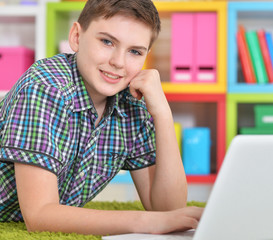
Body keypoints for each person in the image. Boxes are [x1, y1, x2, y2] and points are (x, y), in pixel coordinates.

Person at [0, 0, 203, 235]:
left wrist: (163, 114)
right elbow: (39, 214)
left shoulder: (132, 104)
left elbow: (169, 209)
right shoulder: (45, 88)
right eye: (107, 42)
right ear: (76, 36)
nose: (118, 62)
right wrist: (142, 223)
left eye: (135, 51)